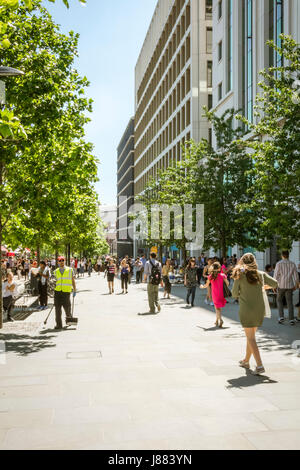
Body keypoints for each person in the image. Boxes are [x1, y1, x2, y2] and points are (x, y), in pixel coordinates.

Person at [232, 253, 278, 375]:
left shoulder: (240, 275)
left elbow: (234, 294)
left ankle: (260, 365)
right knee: (250, 336)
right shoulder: (261, 274)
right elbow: (276, 283)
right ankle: (246, 360)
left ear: (243, 262)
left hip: (246, 309)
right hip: (259, 310)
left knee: (251, 338)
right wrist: (264, 287)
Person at [274, 251, 299, 325]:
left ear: (282, 255)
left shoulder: (278, 264)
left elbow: (276, 275)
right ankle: (291, 319)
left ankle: (281, 317)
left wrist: (274, 285)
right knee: (289, 302)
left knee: (279, 300)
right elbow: (295, 276)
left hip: (281, 285)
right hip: (289, 286)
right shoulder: (292, 264)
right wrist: (296, 285)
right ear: (288, 255)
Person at [201, 261, 229, 327]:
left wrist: (202, 286)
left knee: (217, 308)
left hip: (215, 294)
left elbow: (206, 285)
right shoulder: (223, 276)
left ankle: (221, 319)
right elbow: (227, 284)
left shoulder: (210, 277)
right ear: (219, 268)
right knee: (218, 308)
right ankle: (216, 320)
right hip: (221, 294)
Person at [53, 257, 77, 330]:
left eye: (62, 261)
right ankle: (58, 325)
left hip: (66, 292)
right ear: (58, 262)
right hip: (57, 292)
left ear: (65, 261)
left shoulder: (70, 270)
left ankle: (69, 320)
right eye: (60, 261)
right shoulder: (55, 271)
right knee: (57, 309)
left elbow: (73, 280)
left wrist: (74, 290)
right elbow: (54, 280)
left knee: (67, 308)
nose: (61, 262)